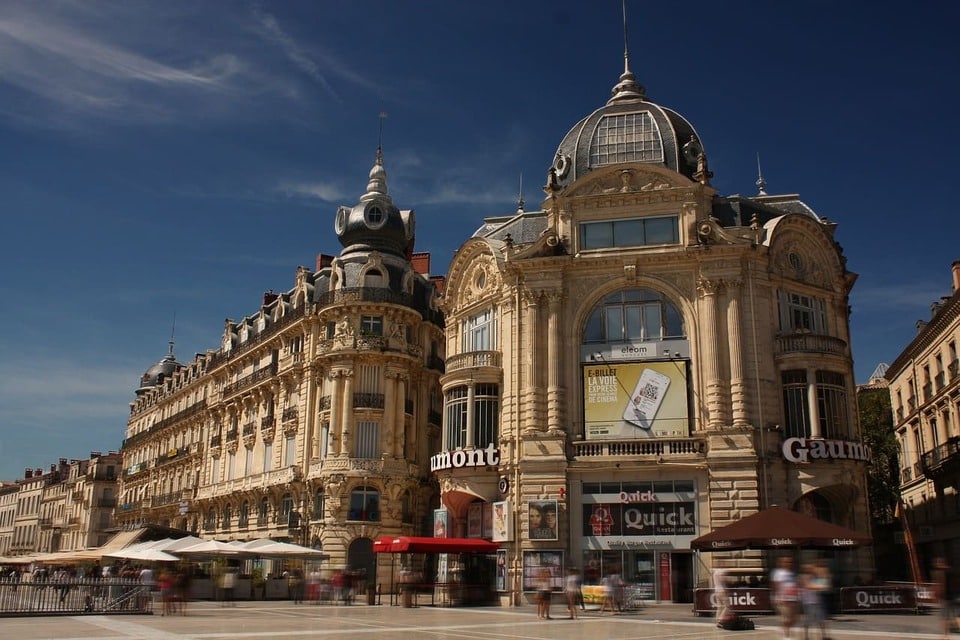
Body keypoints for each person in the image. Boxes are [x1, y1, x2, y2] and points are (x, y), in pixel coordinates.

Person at [771, 556, 799, 640]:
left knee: (795, 619)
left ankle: (783, 629)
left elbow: (795, 585)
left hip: (793, 599)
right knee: (786, 618)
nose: (788, 564)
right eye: (786, 562)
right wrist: (779, 597)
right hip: (783, 599)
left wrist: (797, 597)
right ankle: (787, 636)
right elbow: (776, 586)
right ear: (782, 563)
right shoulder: (778, 573)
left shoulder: (793, 573)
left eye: (790, 562)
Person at [932, 557, 954, 640]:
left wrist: (938, 595)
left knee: (944, 617)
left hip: (946, 598)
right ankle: (945, 635)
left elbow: (942, 585)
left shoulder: (942, 572)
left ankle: (945, 635)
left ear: (941, 563)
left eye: (938, 563)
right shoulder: (952, 571)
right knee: (954, 616)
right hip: (954, 596)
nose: (937, 565)